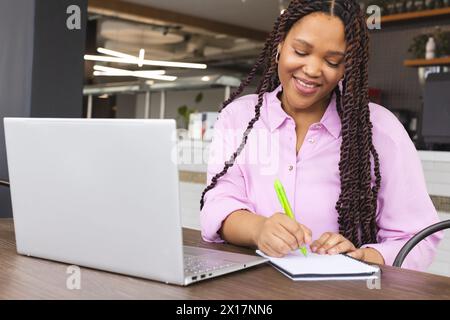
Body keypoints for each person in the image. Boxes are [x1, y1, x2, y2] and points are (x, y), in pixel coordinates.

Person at [199, 0, 442, 271]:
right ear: (280, 45)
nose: (313, 70)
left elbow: (418, 239)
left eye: (332, 61)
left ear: (345, 67)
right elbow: (218, 203)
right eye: (301, 51)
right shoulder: (239, 118)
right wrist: (258, 229)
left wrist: (365, 257)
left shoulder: (380, 130)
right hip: (253, 287)